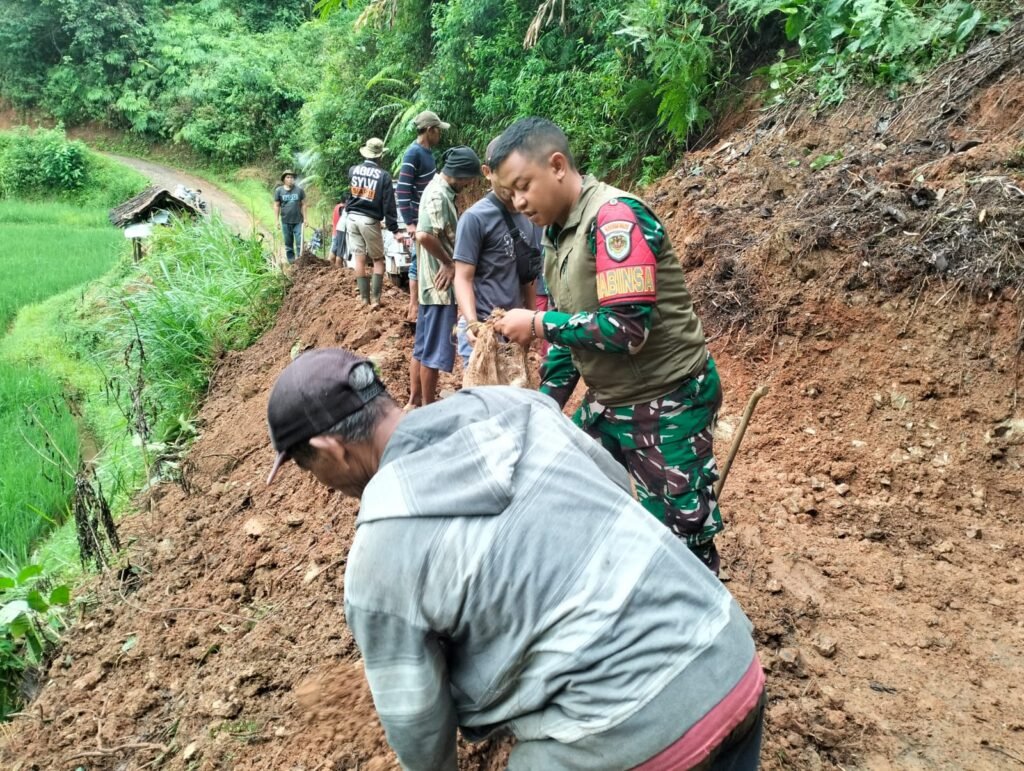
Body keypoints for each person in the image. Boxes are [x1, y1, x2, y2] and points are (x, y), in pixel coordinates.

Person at [264, 348, 765, 771]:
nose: (323, 486)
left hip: (635, 736)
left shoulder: (380, 555)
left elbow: (416, 719)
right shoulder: (513, 405)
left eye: (312, 471)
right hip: (731, 658)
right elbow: (615, 484)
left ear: (329, 450)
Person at [491, 117, 727, 573]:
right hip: (614, 401)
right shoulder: (558, 236)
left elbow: (625, 330)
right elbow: (572, 337)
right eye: (510, 195)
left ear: (557, 166)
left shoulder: (615, 220)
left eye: (523, 186)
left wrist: (538, 323)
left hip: (668, 400)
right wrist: (543, 410)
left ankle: (702, 631)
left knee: (682, 544)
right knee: (564, 481)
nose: (519, 203)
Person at [453, 137, 542, 367]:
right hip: (484, 331)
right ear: (487, 172)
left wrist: (532, 319)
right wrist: (473, 324)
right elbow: (462, 277)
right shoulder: (475, 218)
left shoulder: (527, 214)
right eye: (502, 172)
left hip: (514, 331)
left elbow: (528, 276)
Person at [412, 146, 481, 405]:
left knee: (422, 348)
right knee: (432, 352)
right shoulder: (438, 195)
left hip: (432, 287)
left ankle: (415, 400)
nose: (471, 183)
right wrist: (449, 263)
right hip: (439, 288)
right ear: (460, 175)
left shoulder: (440, 190)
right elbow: (424, 235)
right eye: (470, 178)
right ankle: (428, 407)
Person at [396, 110, 448, 408]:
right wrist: (412, 224)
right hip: (420, 223)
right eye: (437, 130)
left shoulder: (428, 154)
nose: (439, 134)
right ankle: (414, 302)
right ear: (428, 130)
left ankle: (417, 398)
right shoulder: (414, 153)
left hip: (424, 221)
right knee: (420, 263)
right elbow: (403, 189)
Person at [346, 138, 401, 307]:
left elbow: (351, 194)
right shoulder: (383, 176)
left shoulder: (353, 170)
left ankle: (363, 299)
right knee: (378, 260)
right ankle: (375, 299)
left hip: (351, 218)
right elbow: (389, 204)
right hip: (369, 220)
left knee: (359, 258)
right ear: (380, 156)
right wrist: (394, 228)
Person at [273, 170, 307, 264]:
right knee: (288, 244)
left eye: (292, 177)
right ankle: (292, 263)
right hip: (285, 221)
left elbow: (304, 204)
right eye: (288, 177)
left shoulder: (299, 190)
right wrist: (276, 221)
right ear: (284, 179)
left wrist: (306, 218)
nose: (290, 179)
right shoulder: (279, 191)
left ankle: (300, 263)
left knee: (300, 243)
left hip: (298, 221)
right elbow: (276, 205)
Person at [329, 200, 347, 268]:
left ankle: (330, 267)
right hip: (340, 232)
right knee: (339, 252)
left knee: (334, 250)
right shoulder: (342, 207)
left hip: (335, 231)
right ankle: (338, 269)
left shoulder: (337, 206)